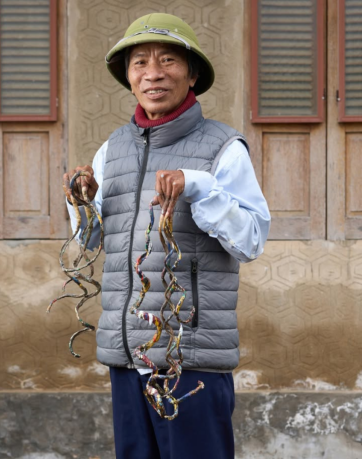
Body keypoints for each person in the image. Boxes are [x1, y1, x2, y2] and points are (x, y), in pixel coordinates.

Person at [64, 13, 271, 459]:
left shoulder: (223, 147)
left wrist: (199, 186)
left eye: (168, 60)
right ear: (128, 77)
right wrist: (81, 200)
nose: (153, 72)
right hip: (127, 355)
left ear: (192, 73)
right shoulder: (113, 148)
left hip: (189, 356)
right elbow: (93, 242)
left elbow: (251, 240)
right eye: (139, 62)